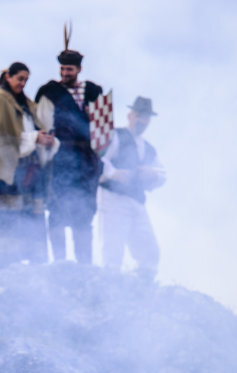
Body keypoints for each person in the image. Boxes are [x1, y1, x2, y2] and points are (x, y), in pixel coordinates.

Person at [0, 62, 58, 271]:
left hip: (29, 172)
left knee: (28, 220)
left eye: (26, 80)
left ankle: (28, 273)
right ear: (8, 77)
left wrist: (44, 138)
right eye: (19, 78)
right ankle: (2, 271)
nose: (22, 83)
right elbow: (4, 138)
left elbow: (37, 126)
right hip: (7, 173)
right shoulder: (1, 101)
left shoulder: (26, 105)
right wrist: (34, 138)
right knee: (5, 223)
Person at [35, 48, 104, 263]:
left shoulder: (93, 91)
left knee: (84, 212)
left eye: (69, 69)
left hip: (87, 160)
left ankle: (85, 264)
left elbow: (102, 129)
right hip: (60, 157)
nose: (65, 73)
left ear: (79, 69)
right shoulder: (50, 92)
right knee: (57, 210)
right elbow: (41, 123)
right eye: (63, 68)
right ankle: (60, 263)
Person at [98, 96, 166, 280]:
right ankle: (109, 287)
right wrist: (114, 173)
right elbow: (98, 158)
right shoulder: (115, 135)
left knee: (149, 248)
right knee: (113, 246)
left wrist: (153, 175)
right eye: (139, 116)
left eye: (146, 118)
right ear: (130, 115)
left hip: (136, 200)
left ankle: (143, 287)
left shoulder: (149, 148)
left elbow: (161, 173)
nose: (142, 121)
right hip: (113, 198)